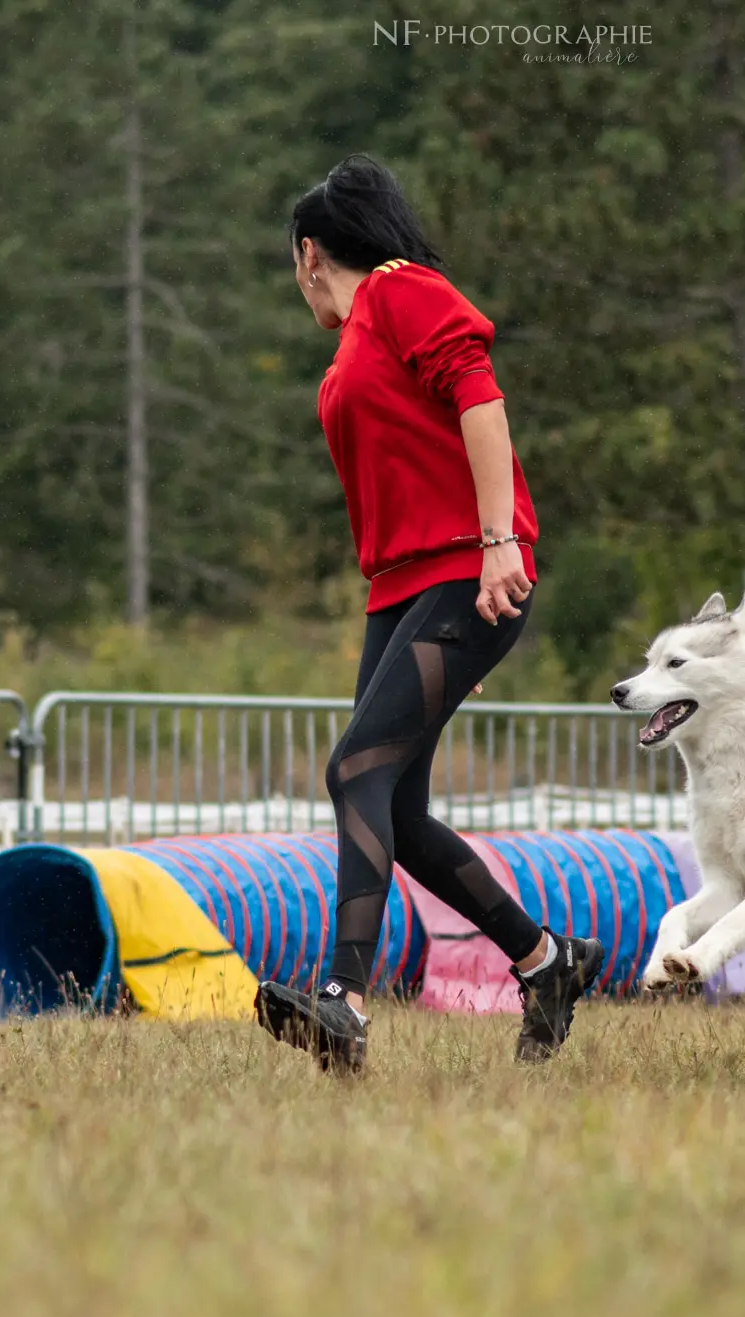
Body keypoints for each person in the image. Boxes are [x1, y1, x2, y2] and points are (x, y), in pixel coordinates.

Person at [255, 154, 604, 1072]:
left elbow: (481, 402)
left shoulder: (404, 292)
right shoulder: (361, 335)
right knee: (396, 806)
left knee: (353, 767)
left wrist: (498, 552)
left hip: (465, 571)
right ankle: (546, 961)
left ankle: (342, 1000)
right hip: (405, 591)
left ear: (308, 254)